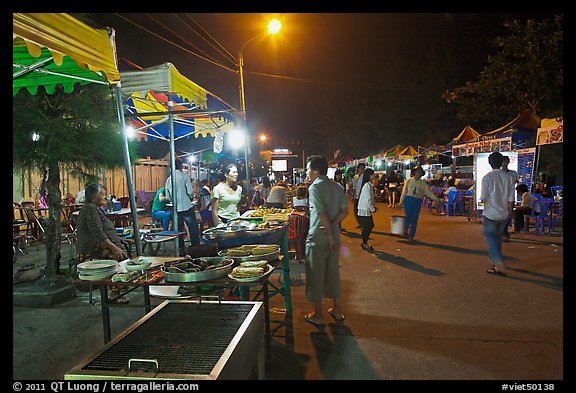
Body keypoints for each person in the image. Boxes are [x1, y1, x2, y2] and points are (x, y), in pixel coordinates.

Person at [303, 155, 348, 326]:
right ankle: (337, 310)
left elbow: (320, 214)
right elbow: (344, 212)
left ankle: (318, 315)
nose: (307, 173)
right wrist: (333, 227)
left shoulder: (314, 187)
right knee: (333, 273)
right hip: (334, 236)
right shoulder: (337, 187)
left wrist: (328, 234)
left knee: (315, 275)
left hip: (319, 237)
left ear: (315, 170)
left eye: (308, 169)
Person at [75, 183, 132, 304]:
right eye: (102, 194)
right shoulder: (90, 208)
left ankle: (116, 291)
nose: (105, 197)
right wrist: (115, 248)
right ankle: (114, 293)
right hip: (93, 248)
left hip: (100, 245)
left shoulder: (95, 208)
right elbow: (97, 232)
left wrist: (119, 239)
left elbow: (104, 229)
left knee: (122, 257)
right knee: (120, 259)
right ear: (92, 197)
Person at [480, 152, 515, 275]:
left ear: (489, 163)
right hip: (504, 214)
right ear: (502, 163)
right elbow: (511, 198)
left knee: (491, 239)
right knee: (498, 239)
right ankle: (496, 267)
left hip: (491, 214)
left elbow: (483, 197)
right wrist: (510, 213)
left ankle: (497, 260)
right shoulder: (509, 177)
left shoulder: (487, 177)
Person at [165, 158, 200, 254]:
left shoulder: (168, 180)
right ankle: (195, 249)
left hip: (175, 208)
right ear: (180, 166)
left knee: (179, 231)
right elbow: (190, 192)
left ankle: (181, 251)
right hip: (186, 206)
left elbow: (168, 197)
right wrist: (190, 197)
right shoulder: (185, 176)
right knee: (193, 229)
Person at [398, 166, 441, 241]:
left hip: (417, 200)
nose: (418, 174)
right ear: (414, 173)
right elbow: (404, 192)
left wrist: (436, 199)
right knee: (408, 216)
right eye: (417, 172)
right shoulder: (408, 181)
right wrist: (401, 202)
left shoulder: (423, 183)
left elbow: (428, 193)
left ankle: (411, 236)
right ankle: (406, 229)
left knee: (414, 218)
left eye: (420, 172)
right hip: (408, 199)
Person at [357, 167, 377, 251]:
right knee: (369, 226)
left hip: (365, 209)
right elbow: (368, 199)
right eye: (372, 174)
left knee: (368, 226)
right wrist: (373, 209)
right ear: (369, 175)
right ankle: (364, 243)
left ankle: (364, 243)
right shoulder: (367, 185)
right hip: (364, 210)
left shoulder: (367, 185)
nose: (374, 175)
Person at [501, 155, 519, 241]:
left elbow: (515, 182)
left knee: (508, 214)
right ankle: (502, 231)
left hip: (510, 197)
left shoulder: (513, 173)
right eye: (503, 161)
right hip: (500, 197)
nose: (505, 163)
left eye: (506, 161)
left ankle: (504, 230)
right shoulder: (498, 174)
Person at [352, 163, 366, 227]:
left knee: (362, 210)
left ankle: (362, 223)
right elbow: (354, 187)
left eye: (363, 168)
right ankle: (360, 222)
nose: (361, 169)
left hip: (362, 196)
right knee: (355, 210)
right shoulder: (355, 177)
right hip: (356, 195)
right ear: (358, 169)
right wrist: (353, 195)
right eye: (360, 168)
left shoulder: (365, 177)